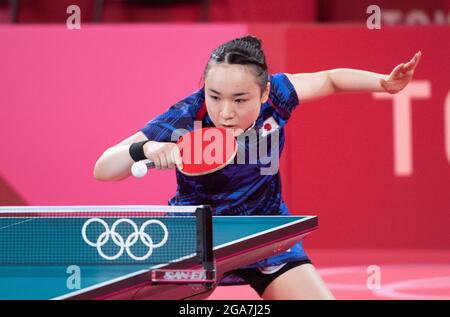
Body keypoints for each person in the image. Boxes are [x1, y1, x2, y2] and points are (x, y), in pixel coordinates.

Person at [93, 35, 421, 299]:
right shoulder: (185, 116)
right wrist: (146, 148)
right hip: (197, 239)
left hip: (265, 235)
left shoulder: (278, 95)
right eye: (214, 96)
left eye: (239, 99)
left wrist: (385, 83)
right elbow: (103, 168)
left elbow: (331, 79)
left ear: (264, 93)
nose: (225, 112)